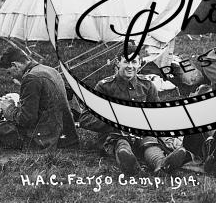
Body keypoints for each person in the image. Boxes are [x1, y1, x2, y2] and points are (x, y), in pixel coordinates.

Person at [78, 45, 190, 174]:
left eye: (134, 62)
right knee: (121, 144)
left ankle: (162, 165)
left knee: (150, 143)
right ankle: (130, 165)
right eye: (126, 62)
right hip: (115, 133)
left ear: (139, 64)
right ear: (117, 62)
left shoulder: (147, 85)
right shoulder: (105, 87)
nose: (130, 66)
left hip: (142, 133)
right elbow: (85, 118)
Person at [0, 47, 80, 151]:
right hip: (60, 137)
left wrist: (9, 108)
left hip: (39, 140)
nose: (12, 77)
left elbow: (26, 120)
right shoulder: (50, 70)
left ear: (15, 65)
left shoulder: (31, 78)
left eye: (10, 72)